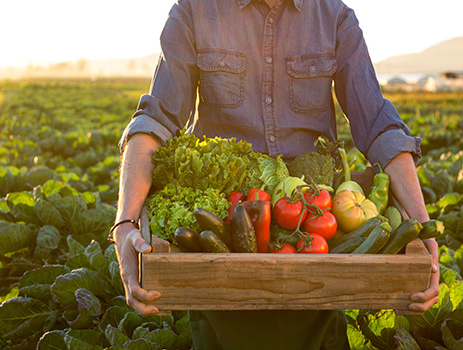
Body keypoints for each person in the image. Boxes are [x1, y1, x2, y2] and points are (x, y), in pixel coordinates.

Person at [112, 0, 440, 348]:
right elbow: (155, 121)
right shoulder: (195, 10)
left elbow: (378, 126)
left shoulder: (335, 17)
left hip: (314, 229)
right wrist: (125, 223)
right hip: (222, 231)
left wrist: (422, 229)